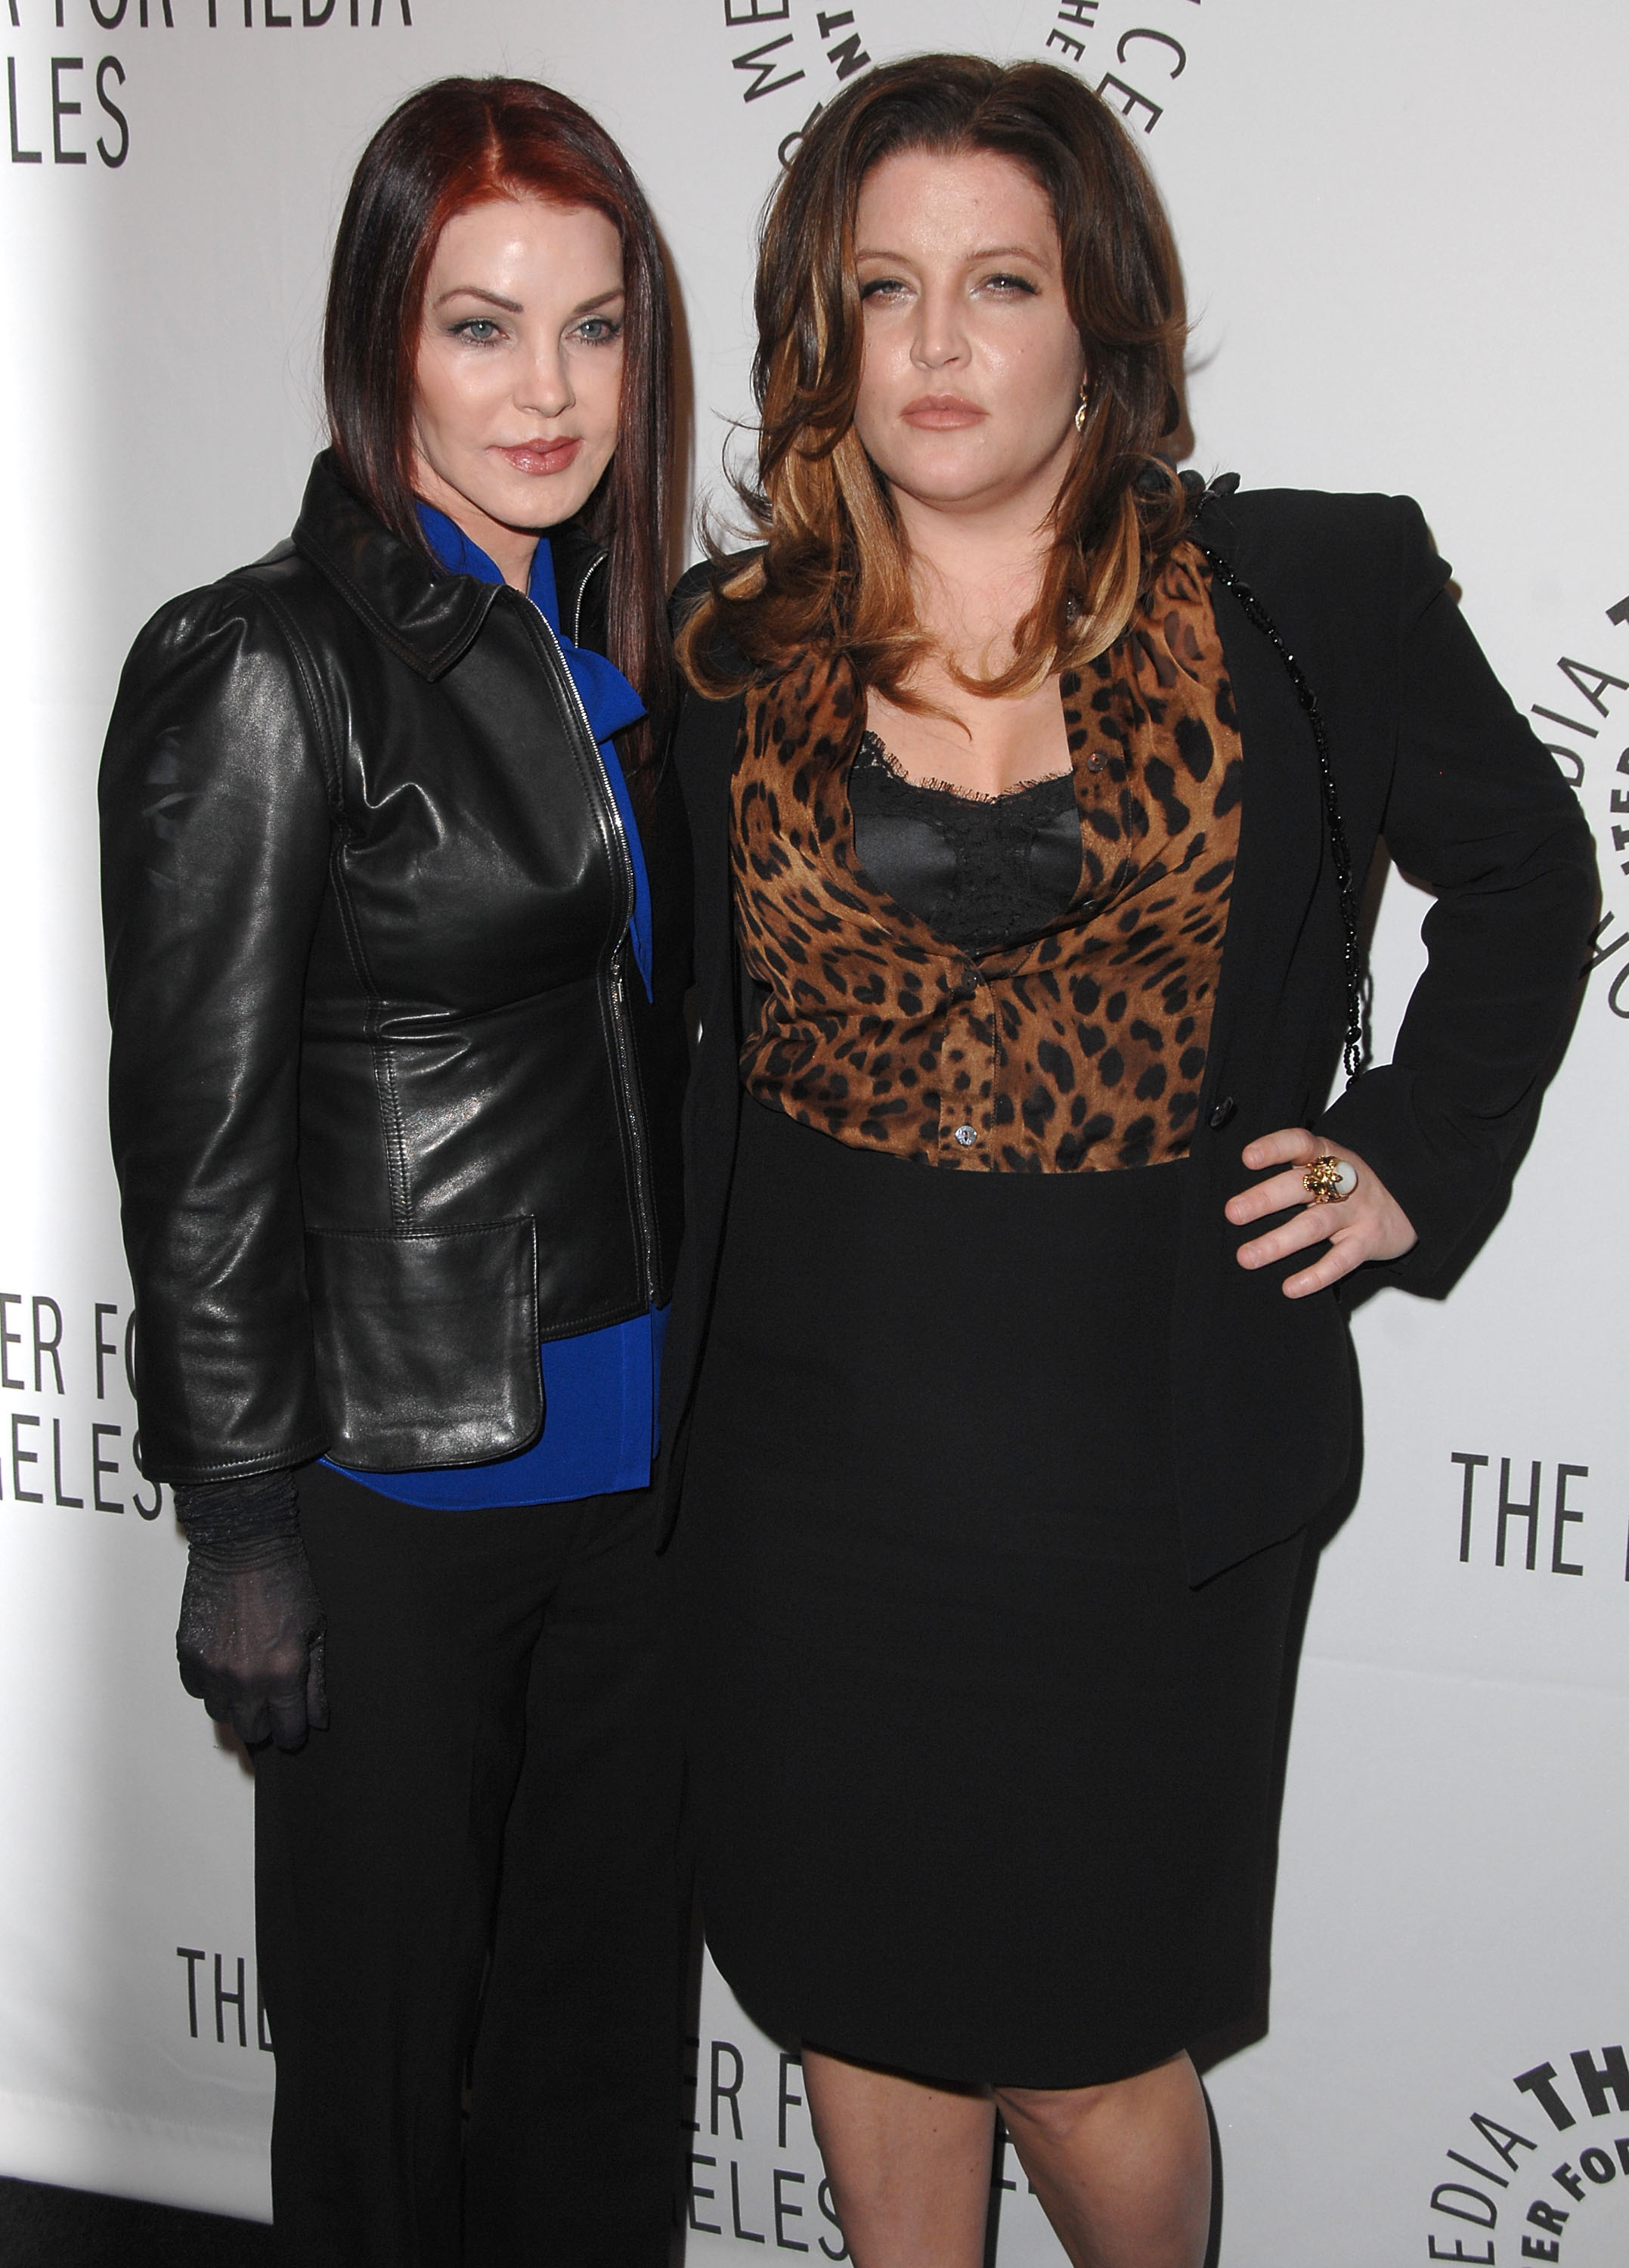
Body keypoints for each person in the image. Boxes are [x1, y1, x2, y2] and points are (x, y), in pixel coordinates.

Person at [663, 53, 1595, 2268]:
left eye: (998, 282)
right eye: (883, 290)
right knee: (863, 2013)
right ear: (826, 329)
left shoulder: (1303, 599)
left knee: (1088, 2059)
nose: (939, 343)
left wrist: (1405, 1157)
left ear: (1100, 319)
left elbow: (1530, 881)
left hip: (1143, 1482)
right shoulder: (717, 643)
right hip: (803, 1477)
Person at [99, 76, 692, 2268]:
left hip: (638, 1498)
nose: (548, 392)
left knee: (597, 2073)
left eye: (597, 329)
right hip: (400, 1492)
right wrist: (241, 1521)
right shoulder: (261, 663)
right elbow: (200, 1133)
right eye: (480, 326)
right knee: (381, 2094)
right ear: (380, 336)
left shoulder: (630, 652)